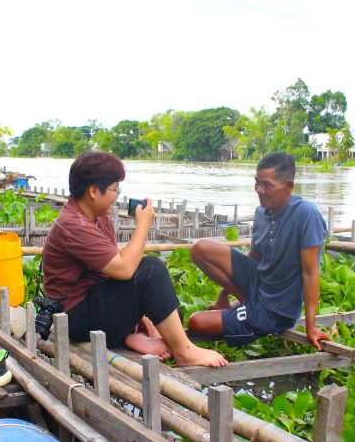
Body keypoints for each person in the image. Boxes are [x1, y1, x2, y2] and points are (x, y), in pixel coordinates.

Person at [42, 151, 227, 368]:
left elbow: (110, 269)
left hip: (92, 303)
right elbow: (124, 270)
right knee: (151, 269)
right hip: (73, 318)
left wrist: (139, 312)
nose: (117, 195)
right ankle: (184, 352)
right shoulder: (74, 225)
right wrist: (143, 225)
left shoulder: (97, 218)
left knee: (161, 298)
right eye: (114, 189)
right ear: (93, 191)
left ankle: (131, 336)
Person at [187, 152, 332, 350]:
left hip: (275, 309)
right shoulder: (261, 212)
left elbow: (310, 272)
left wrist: (311, 326)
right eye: (257, 183)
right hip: (257, 284)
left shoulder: (306, 214)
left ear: (288, 185)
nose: (259, 190)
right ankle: (245, 302)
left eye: (267, 185)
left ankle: (251, 310)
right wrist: (224, 295)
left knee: (196, 322)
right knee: (200, 248)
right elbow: (253, 256)